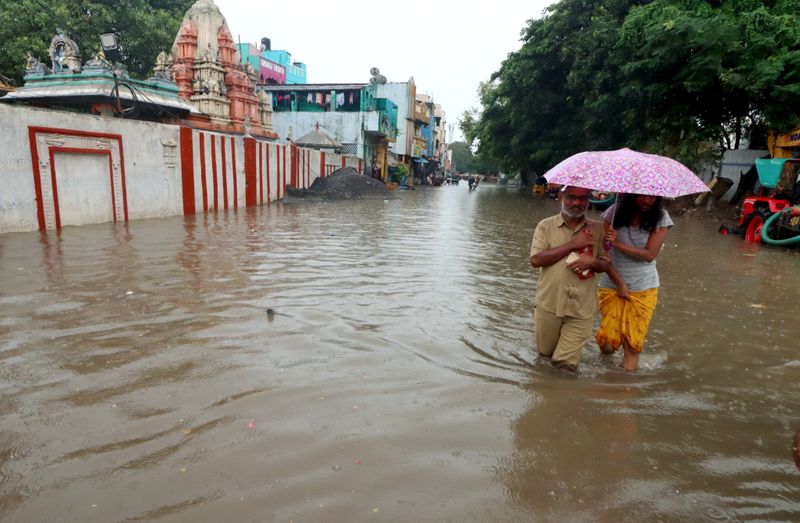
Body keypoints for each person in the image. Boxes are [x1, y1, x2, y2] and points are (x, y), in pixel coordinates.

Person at [530, 186, 622, 371]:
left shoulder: (598, 229)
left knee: (565, 366)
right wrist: (573, 244)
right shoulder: (545, 226)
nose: (577, 203)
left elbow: (605, 265)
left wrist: (593, 262)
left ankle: (564, 398)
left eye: (582, 198)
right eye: (571, 197)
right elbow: (536, 260)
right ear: (560, 198)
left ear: (588, 200)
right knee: (544, 356)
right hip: (549, 303)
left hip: (581, 307)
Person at [596, 193, 673, 371]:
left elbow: (649, 255)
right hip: (611, 284)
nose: (647, 201)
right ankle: (603, 377)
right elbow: (602, 255)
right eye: (641, 197)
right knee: (607, 343)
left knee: (633, 344)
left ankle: (624, 391)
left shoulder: (661, 217)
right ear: (630, 196)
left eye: (652, 197)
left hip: (644, 286)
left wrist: (617, 244)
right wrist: (620, 283)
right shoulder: (613, 213)